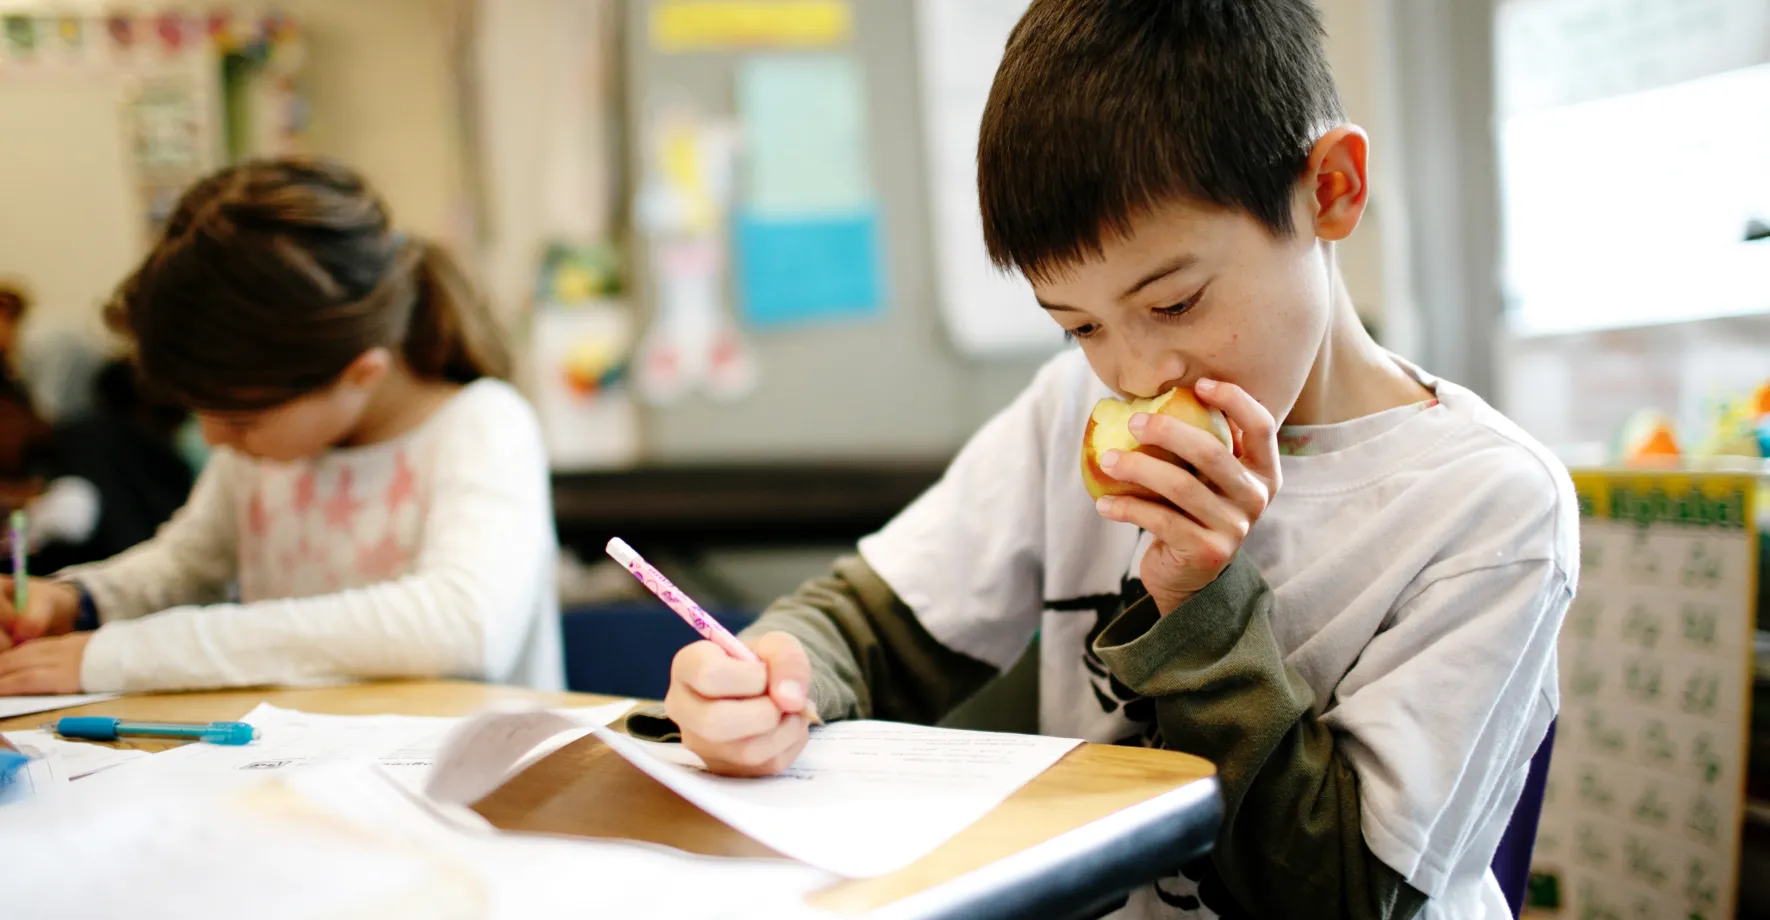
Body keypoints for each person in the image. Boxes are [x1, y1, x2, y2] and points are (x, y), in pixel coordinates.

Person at [640, 2, 1576, 918]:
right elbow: (874, 623)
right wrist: (773, 675)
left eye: (1173, 304)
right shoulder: (1070, 411)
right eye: (1081, 326)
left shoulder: (1491, 508)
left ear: (1329, 190)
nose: (1133, 373)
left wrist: (1199, 605)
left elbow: (1342, 893)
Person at [0, 157, 563, 695]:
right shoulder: (258, 451)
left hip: (469, 786)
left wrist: (126, 655)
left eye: (242, 419)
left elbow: (463, 627)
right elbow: (187, 564)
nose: (215, 439)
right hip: (301, 773)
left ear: (360, 374)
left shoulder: (483, 425)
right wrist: (77, 600)